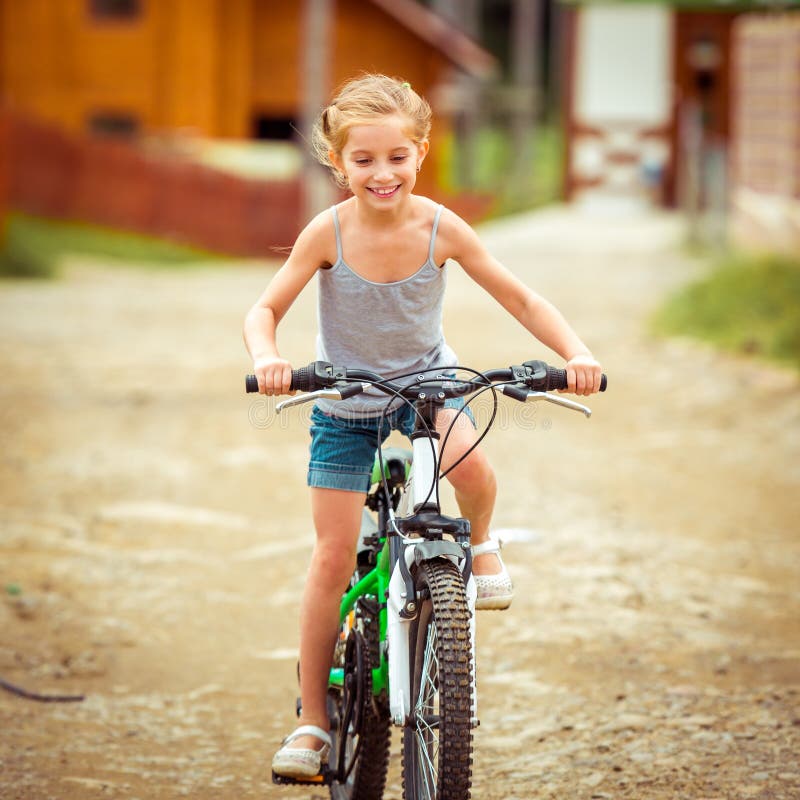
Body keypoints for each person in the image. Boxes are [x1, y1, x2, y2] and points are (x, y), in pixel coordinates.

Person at [243, 74, 602, 780]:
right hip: (345, 400)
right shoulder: (327, 232)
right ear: (338, 163)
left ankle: (483, 543)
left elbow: (520, 296)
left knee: (473, 469)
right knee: (331, 556)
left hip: (427, 386)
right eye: (364, 160)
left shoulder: (440, 227)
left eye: (398, 157)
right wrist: (270, 358)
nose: (383, 174)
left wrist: (577, 354)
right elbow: (265, 309)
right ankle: (314, 721)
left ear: (421, 152)